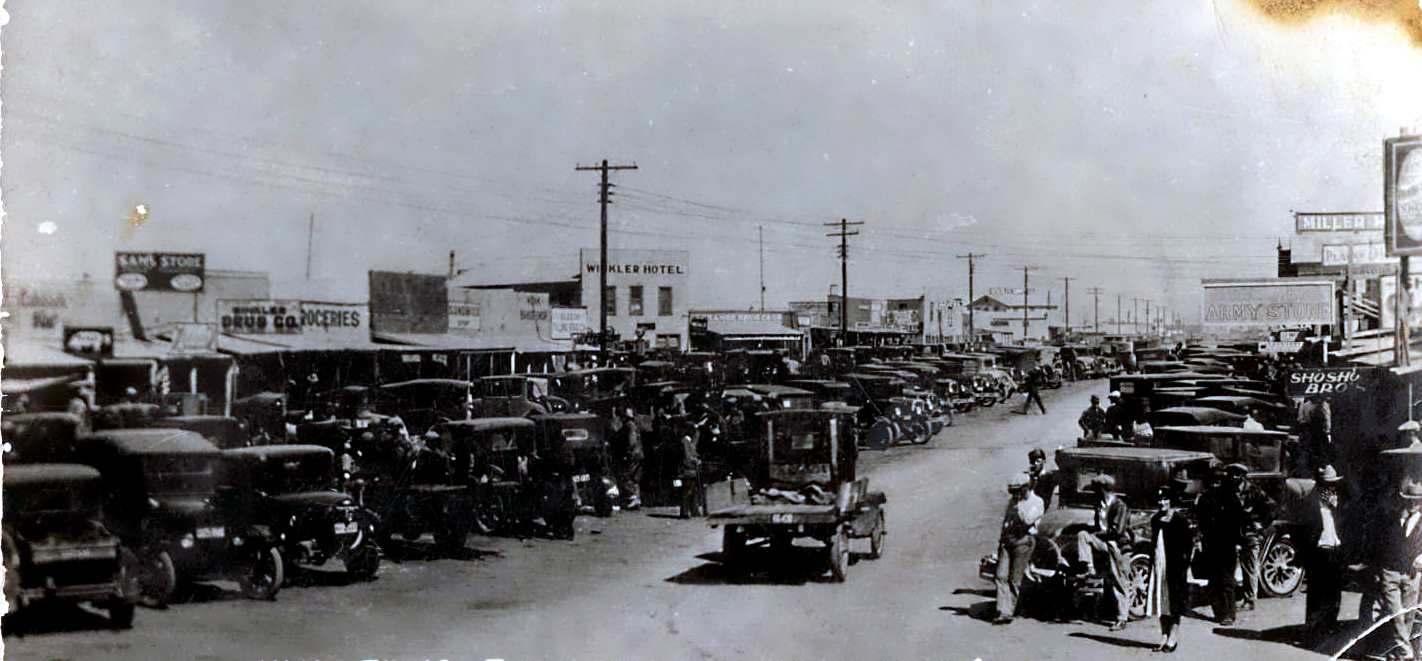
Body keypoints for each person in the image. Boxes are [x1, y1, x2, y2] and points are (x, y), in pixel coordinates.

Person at [1074, 475, 1132, 631]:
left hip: (1116, 544)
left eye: (1096, 489)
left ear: (1103, 489)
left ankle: (1122, 618)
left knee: (1118, 580)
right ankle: (1089, 569)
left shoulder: (1119, 506)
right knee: (1083, 535)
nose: (1094, 493)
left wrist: (1097, 534)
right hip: (1103, 542)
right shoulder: (1099, 505)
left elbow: (1117, 531)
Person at [1374, 481, 1422, 660]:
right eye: (1410, 500)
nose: (1414, 504)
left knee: (1408, 616)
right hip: (1390, 573)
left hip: (1412, 575)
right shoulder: (1391, 519)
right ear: (1404, 500)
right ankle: (1406, 652)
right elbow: (1379, 545)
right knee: (1396, 614)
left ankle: (1400, 654)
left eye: (1418, 500)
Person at [1195, 466, 1248, 625]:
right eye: (1213, 481)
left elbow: (1238, 522)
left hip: (1226, 544)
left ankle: (1228, 614)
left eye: (1218, 481)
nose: (1215, 484)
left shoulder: (1228, 498)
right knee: (1216, 580)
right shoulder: (1206, 498)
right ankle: (1221, 612)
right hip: (1214, 544)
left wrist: (1238, 541)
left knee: (1225, 580)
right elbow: (1201, 522)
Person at [1300, 465, 1346, 646]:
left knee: (1334, 593)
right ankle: (1313, 632)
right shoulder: (1310, 504)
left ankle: (1330, 627)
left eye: (1333, 484)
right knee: (1317, 594)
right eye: (1327, 484)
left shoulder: (1337, 503)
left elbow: (1344, 525)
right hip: (1318, 551)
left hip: (1335, 550)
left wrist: (1335, 508)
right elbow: (1304, 531)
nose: (1331, 488)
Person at [1146, 481, 1195, 653]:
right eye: (1159, 500)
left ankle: (1173, 637)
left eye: (1165, 500)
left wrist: (1184, 566)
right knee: (1161, 601)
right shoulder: (1155, 520)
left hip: (1174, 569)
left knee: (1174, 603)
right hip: (1159, 566)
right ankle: (1163, 635)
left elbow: (1188, 546)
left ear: (1170, 501)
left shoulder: (1179, 521)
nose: (1161, 503)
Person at [994, 472, 1044, 625]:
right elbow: (1006, 520)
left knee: (1014, 579)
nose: (1015, 494)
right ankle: (1002, 610)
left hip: (1023, 541)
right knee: (1000, 576)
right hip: (1008, 541)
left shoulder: (1037, 502)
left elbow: (1028, 520)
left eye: (1018, 490)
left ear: (1025, 488)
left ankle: (1009, 610)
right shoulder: (1013, 501)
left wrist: (1019, 506)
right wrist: (1002, 539)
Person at [678, 424, 705, 519]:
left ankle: (693, 510)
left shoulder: (688, 441)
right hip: (686, 470)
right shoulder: (686, 441)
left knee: (692, 490)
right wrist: (696, 461)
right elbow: (688, 456)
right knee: (687, 490)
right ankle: (685, 512)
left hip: (689, 470)